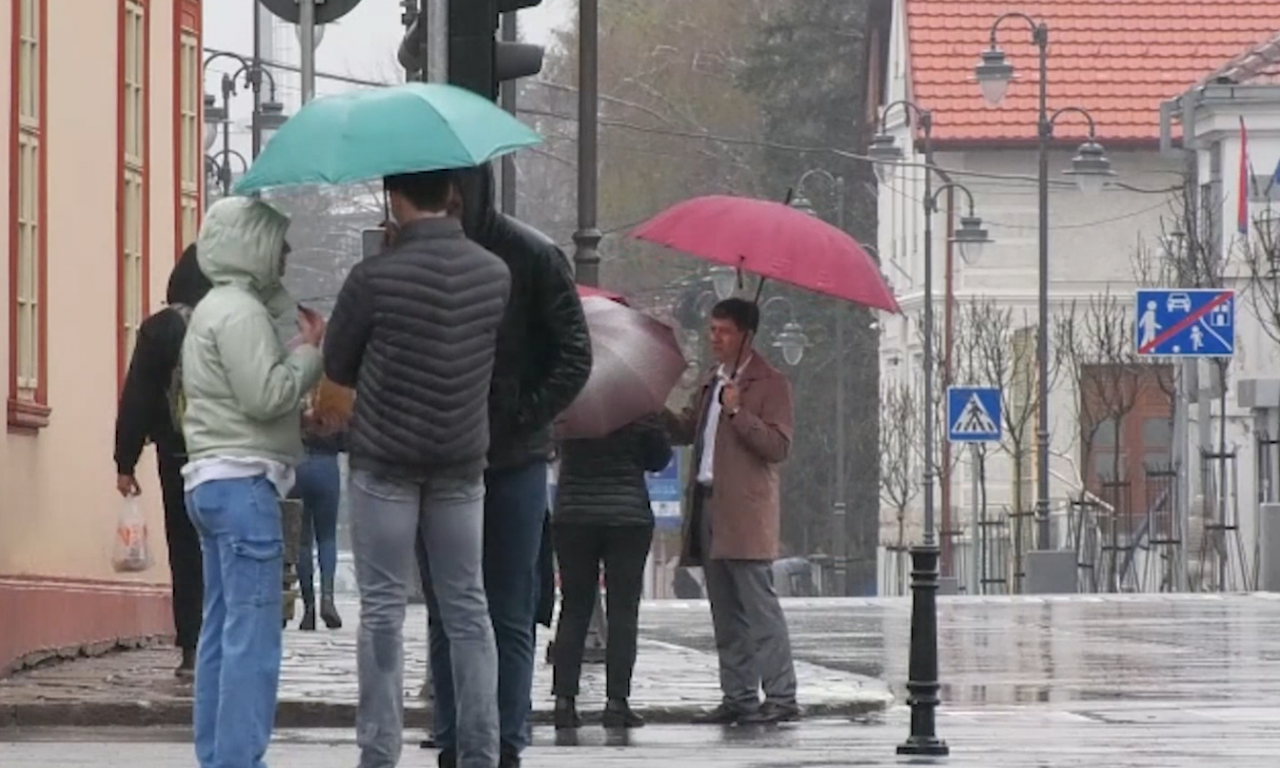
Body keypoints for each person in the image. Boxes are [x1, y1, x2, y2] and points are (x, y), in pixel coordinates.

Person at [324, 169, 511, 768]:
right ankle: (481, 750)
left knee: (382, 609)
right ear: (451, 196)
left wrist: (388, 260)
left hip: (385, 459)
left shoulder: (373, 278)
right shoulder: (494, 273)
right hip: (461, 459)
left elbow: (338, 366)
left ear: (395, 197)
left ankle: (380, 750)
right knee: (467, 608)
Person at [418, 165, 592, 768]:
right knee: (447, 608)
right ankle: (454, 735)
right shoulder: (421, 254)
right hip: (443, 454)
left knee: (508, 607)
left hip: (511, 457)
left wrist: (523, 413)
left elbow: (574, 355)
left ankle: (505, 737)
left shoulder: (533, 256)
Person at [180, 197, 326, 768]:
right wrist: (310, 356)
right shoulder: (240, 312)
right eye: (277, 245)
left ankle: (219, 755)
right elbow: (264, 396)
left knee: (221, 629)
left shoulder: (215, 307)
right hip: (244, 484)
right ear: (252, 246)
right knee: (253, 636)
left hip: (212, 481)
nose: (285, 255)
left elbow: (245, 393)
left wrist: (289, 352)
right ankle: (240, 759)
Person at [664, 297, 800, 725]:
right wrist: (656, 410)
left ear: (746, 335)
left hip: (745, 512)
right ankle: (738, 696)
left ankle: (781, 695)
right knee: (724, 612)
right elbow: (688, 430)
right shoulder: (712, 381)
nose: (714, 338)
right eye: (712, 330)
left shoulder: (770, 383)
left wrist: (738, 411)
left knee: (759, 609)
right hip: (708, 505)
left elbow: (777, 446)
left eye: (723, 331)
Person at [113, 244, 211, 679]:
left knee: (184, 546)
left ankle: (191, 646)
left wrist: (125, 460)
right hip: (224, 450)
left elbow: (136, 397)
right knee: (225, 545)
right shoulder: (228, 322)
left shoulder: (159, 329)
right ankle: (225, 642)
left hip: (175, 453)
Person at [551, 414, 672, 730]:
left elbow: (552, 445)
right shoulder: (637, 406)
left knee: (574, 608)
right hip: (626, 518)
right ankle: (617, 703)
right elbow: (658, 460)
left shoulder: (573, 404)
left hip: (574, 515)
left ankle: (564, 701)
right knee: (623, 612)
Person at [290, 378, 348, 631]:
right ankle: (328, 599)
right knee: (327, 537)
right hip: (326, 466)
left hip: (298, 465)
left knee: (302, 540)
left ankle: (308, 609)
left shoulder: (294, 383)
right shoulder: (333, 389)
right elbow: (347, 435)